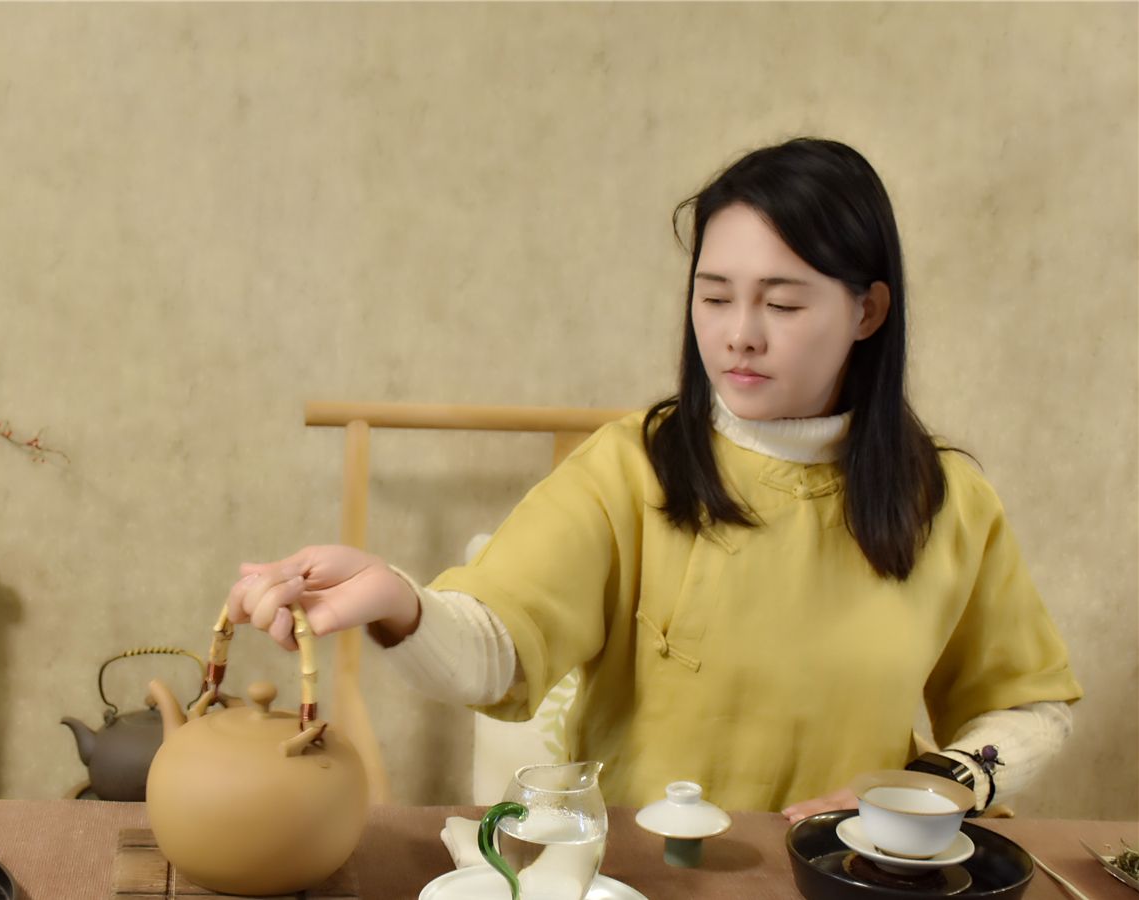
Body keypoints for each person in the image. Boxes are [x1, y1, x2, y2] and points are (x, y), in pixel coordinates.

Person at [225, 138, 1081, 818]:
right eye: (714, 297)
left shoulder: (946, 501)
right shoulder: (631, 467)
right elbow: (495, 652)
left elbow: (1032, 705)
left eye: (782, 303)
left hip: (850, 877)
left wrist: (933, 786)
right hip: (645, 879)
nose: (739, 334)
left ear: (868, 310)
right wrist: (396, 599)